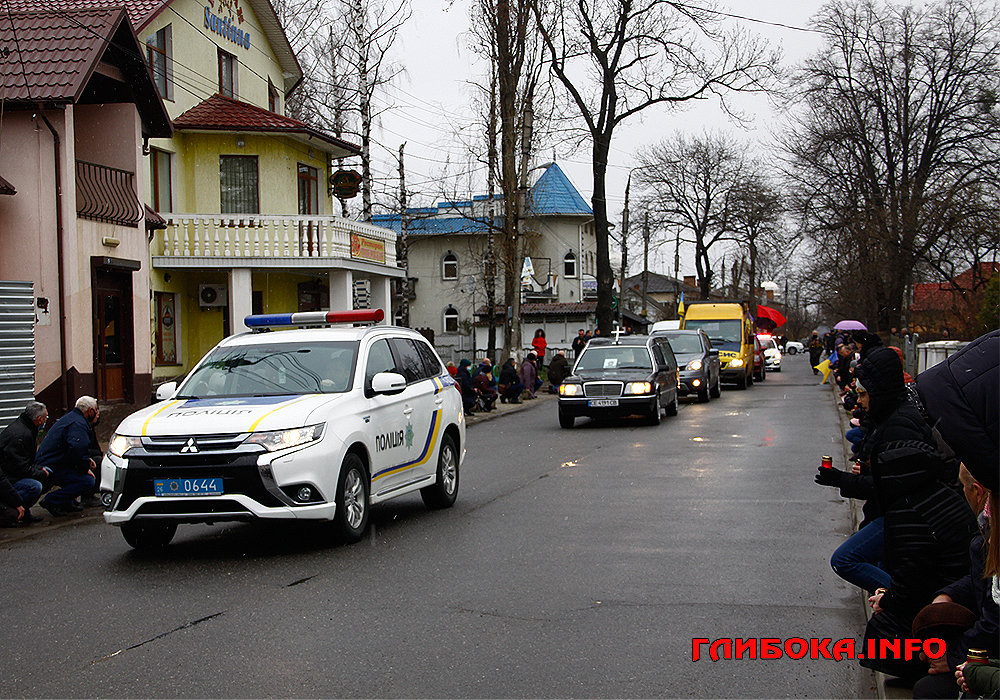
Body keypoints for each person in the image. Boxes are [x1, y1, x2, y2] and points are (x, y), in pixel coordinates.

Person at [855, 347, 977, 680]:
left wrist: (889, 600)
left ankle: (918, 667)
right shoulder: (930, 496)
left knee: (849, 564)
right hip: (944, 593)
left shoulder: (910, 511)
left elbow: (915, 573)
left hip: (944, 609)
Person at [35, 396, 102, 517]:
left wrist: (86, 460)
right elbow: (78, 448)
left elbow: (74, 448)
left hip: (50, 461)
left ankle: (66, 502)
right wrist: (85, 467)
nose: (98, 413)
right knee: (87, 481)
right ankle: (52, 500)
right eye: (96, 410)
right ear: (91, 411)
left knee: (80, 475)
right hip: (52, 465)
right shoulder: (78, 424)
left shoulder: (72, 418)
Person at [0, 402, 52, 526]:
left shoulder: (23, 428)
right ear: (39, 419)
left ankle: (23, 511)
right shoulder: (22, 435)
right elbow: (19, 468)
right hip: (8, 478)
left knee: (47, 472)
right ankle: (14, 510)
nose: (46, 420)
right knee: (35, 486)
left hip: (10, 474)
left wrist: (40, 470)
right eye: (46, 417)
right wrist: (40, 473)